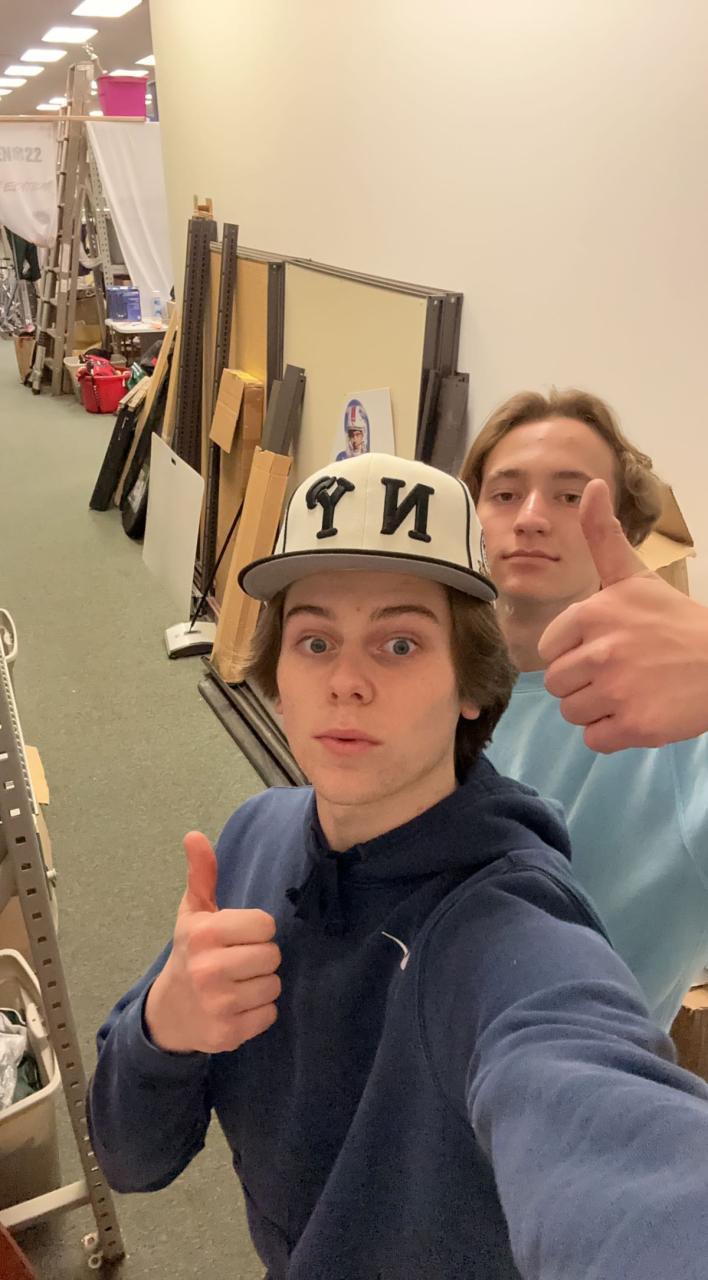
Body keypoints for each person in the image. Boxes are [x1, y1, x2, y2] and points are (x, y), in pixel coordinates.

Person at [88, 452, 708, 1280]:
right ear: (278, 681)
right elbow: (127, 1157)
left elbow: (616, 1152)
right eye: (315, 641)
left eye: (401, 642)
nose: (346, 681)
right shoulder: (250, 840)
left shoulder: (510, 936)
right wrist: (162, 1031)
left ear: (471, 686)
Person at [463, 388, 708, 1027]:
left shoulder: (682, 738)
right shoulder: (429, 684)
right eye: (505, 494)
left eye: (570, 497)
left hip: (564, 1068)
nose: (531, 518)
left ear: (620, 527)